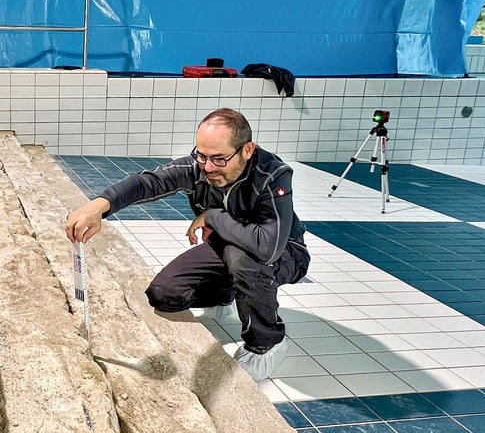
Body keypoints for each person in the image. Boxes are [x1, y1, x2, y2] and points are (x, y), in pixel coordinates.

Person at [65, 108, 309, 381]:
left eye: (219, 158)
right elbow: (148, 182)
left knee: (244, 260)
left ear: (247, 150)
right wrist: (99, 205)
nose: (208, 167)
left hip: (284, 251)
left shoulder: (272, 175)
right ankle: (224, 294)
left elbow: (267, 247)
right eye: (202, 155)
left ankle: (267, 342)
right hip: (229, 246)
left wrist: (214, 216)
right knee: (164, 294)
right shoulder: (199, 166)